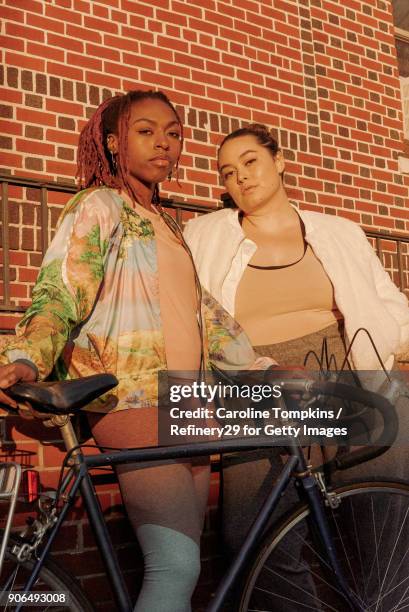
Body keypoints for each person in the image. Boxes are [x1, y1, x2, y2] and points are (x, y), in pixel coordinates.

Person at [0, 91, 260, 612]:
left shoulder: (167, 224)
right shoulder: (98, 205)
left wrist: (261, 367)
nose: (164, 143)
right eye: (146, 131)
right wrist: (27, 354)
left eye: (174, 132)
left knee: (186, 567)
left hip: (189, 403)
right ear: (115, 142)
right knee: (174, 567)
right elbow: (60, 289)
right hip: (134, 399)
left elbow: (204, 314)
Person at [184, 123, 409, 557]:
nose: (241, 177)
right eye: (228, 173)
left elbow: (388, 305)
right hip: (258, 384)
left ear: (280, 161)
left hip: (351, 375)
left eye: (250, 162)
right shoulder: (201, 236)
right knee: (256, 538)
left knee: (383, 527)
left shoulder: (339, 232)